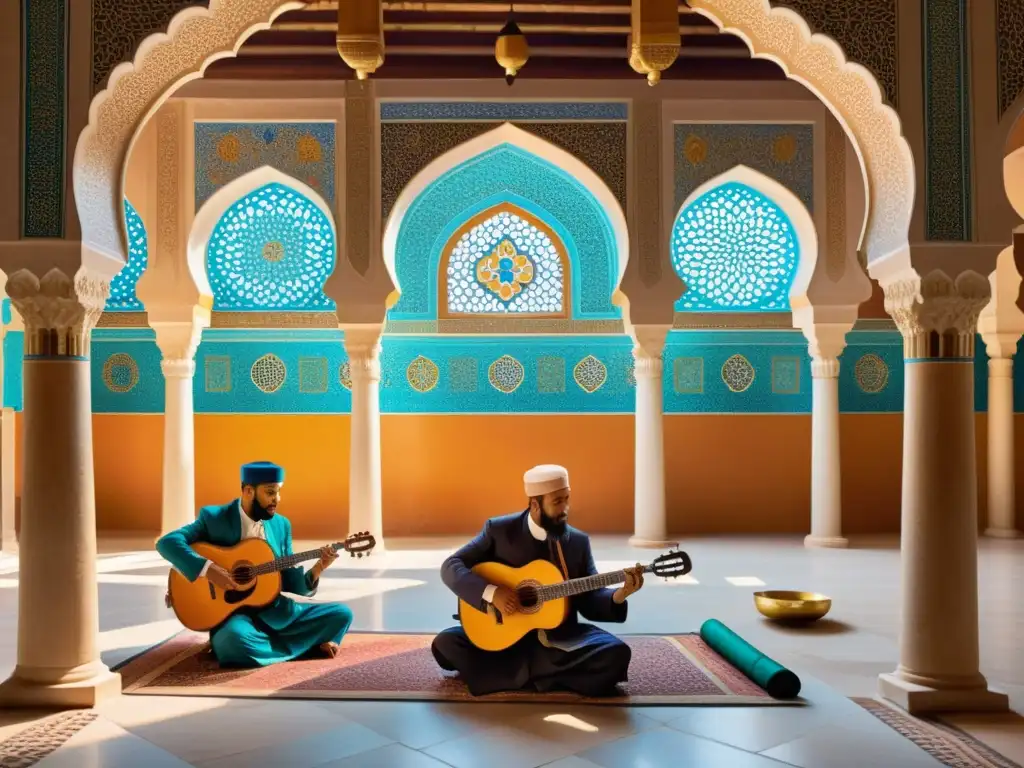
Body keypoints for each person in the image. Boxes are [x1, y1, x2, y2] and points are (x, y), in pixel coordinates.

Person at [432, 464, 644, 697]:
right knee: (445, 644)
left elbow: (590, 599)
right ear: (535, 504)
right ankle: (545, 676)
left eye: (566, 499)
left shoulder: (577, 542)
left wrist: (619, 594)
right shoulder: (499, 530)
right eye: (557, 502)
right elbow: (451, 567)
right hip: (503, 634)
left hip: (557, 641)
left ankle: (510, 675)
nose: (565, 509)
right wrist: (493, 593)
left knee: (616, 655)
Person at [157, 461, 353, 668]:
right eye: (270, 492)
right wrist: (208, 569)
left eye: (278, 492)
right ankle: (305, 645)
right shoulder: (215, 518)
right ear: (249, 491)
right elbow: (167, 543)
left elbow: (289, 582)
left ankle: (283, 647)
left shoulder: (281, 525)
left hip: (275, 610)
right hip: (234, 615)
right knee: (234, 641)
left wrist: (319, 568)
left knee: (342, 614)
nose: (276, 499)